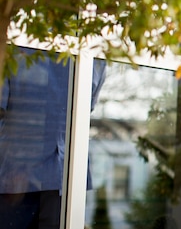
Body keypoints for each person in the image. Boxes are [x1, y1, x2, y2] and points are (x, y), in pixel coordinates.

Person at [0, 47, 106, 229]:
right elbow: (86, 108)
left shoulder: (20, 46)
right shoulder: (93, 50)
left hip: (36, 175)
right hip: (59, 174)